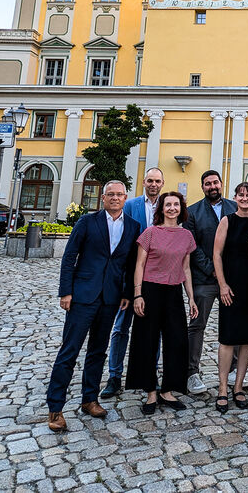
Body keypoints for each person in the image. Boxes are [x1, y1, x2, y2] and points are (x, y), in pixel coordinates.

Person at [46, 181, 140, 432]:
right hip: (82, 296)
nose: (115, 198)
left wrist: (127, 294)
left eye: (120, 195)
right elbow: (69, 257)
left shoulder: (133, 226)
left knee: (98, 351)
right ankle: (55, 407)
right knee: (70, 351)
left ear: (125, 197)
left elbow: (130, 265)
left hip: (110, 298)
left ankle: (90, 399)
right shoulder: (87, 222)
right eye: (111, 194)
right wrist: (66, 291)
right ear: (103, 197)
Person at [125, 191, 198, 415]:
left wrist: (191, 298)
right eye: (168, 205)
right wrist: (138, 294)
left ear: (181, 208)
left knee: (176, 341)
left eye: (176, 204)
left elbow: (186, 268)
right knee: (146, 341)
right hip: (150, 291)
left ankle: (168, 390)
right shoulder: (150, 233)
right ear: (161, 208)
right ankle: (150, 391)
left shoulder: (186, 236)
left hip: (174, 291)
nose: (172, 208)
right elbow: (139, 265)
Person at [101, 167, 165, 399]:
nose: (153, 184)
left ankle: (152, 374)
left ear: (163, 183)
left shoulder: (167, 205)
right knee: (120, 327)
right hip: (129, 273)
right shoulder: (130, 205)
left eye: (158, 181)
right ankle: (114, 375)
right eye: (150, 180)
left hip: (157, 275)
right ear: (144, 181)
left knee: (154, 329)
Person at [213, 182, 248, 414]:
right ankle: (222, 388)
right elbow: (217, 254)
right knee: (227, 338)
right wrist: (222, 284)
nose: (244, 198)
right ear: (234, 197)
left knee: (247, 338)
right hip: (231, 287)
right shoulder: (227, 221)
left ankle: (238, 386)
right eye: (240, 195)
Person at [185, 169, 237, 394]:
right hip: (204, 279)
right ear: (203, 187)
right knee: (197, 325)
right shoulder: (192, 212)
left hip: (231, 279)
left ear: (221, 183)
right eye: (207, 184)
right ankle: (191, 373)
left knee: (233, 324)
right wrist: (213, 270)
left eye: (215, 182)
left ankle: (234, 369)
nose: (212, 187)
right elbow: (192, 246)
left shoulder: (235, 208)